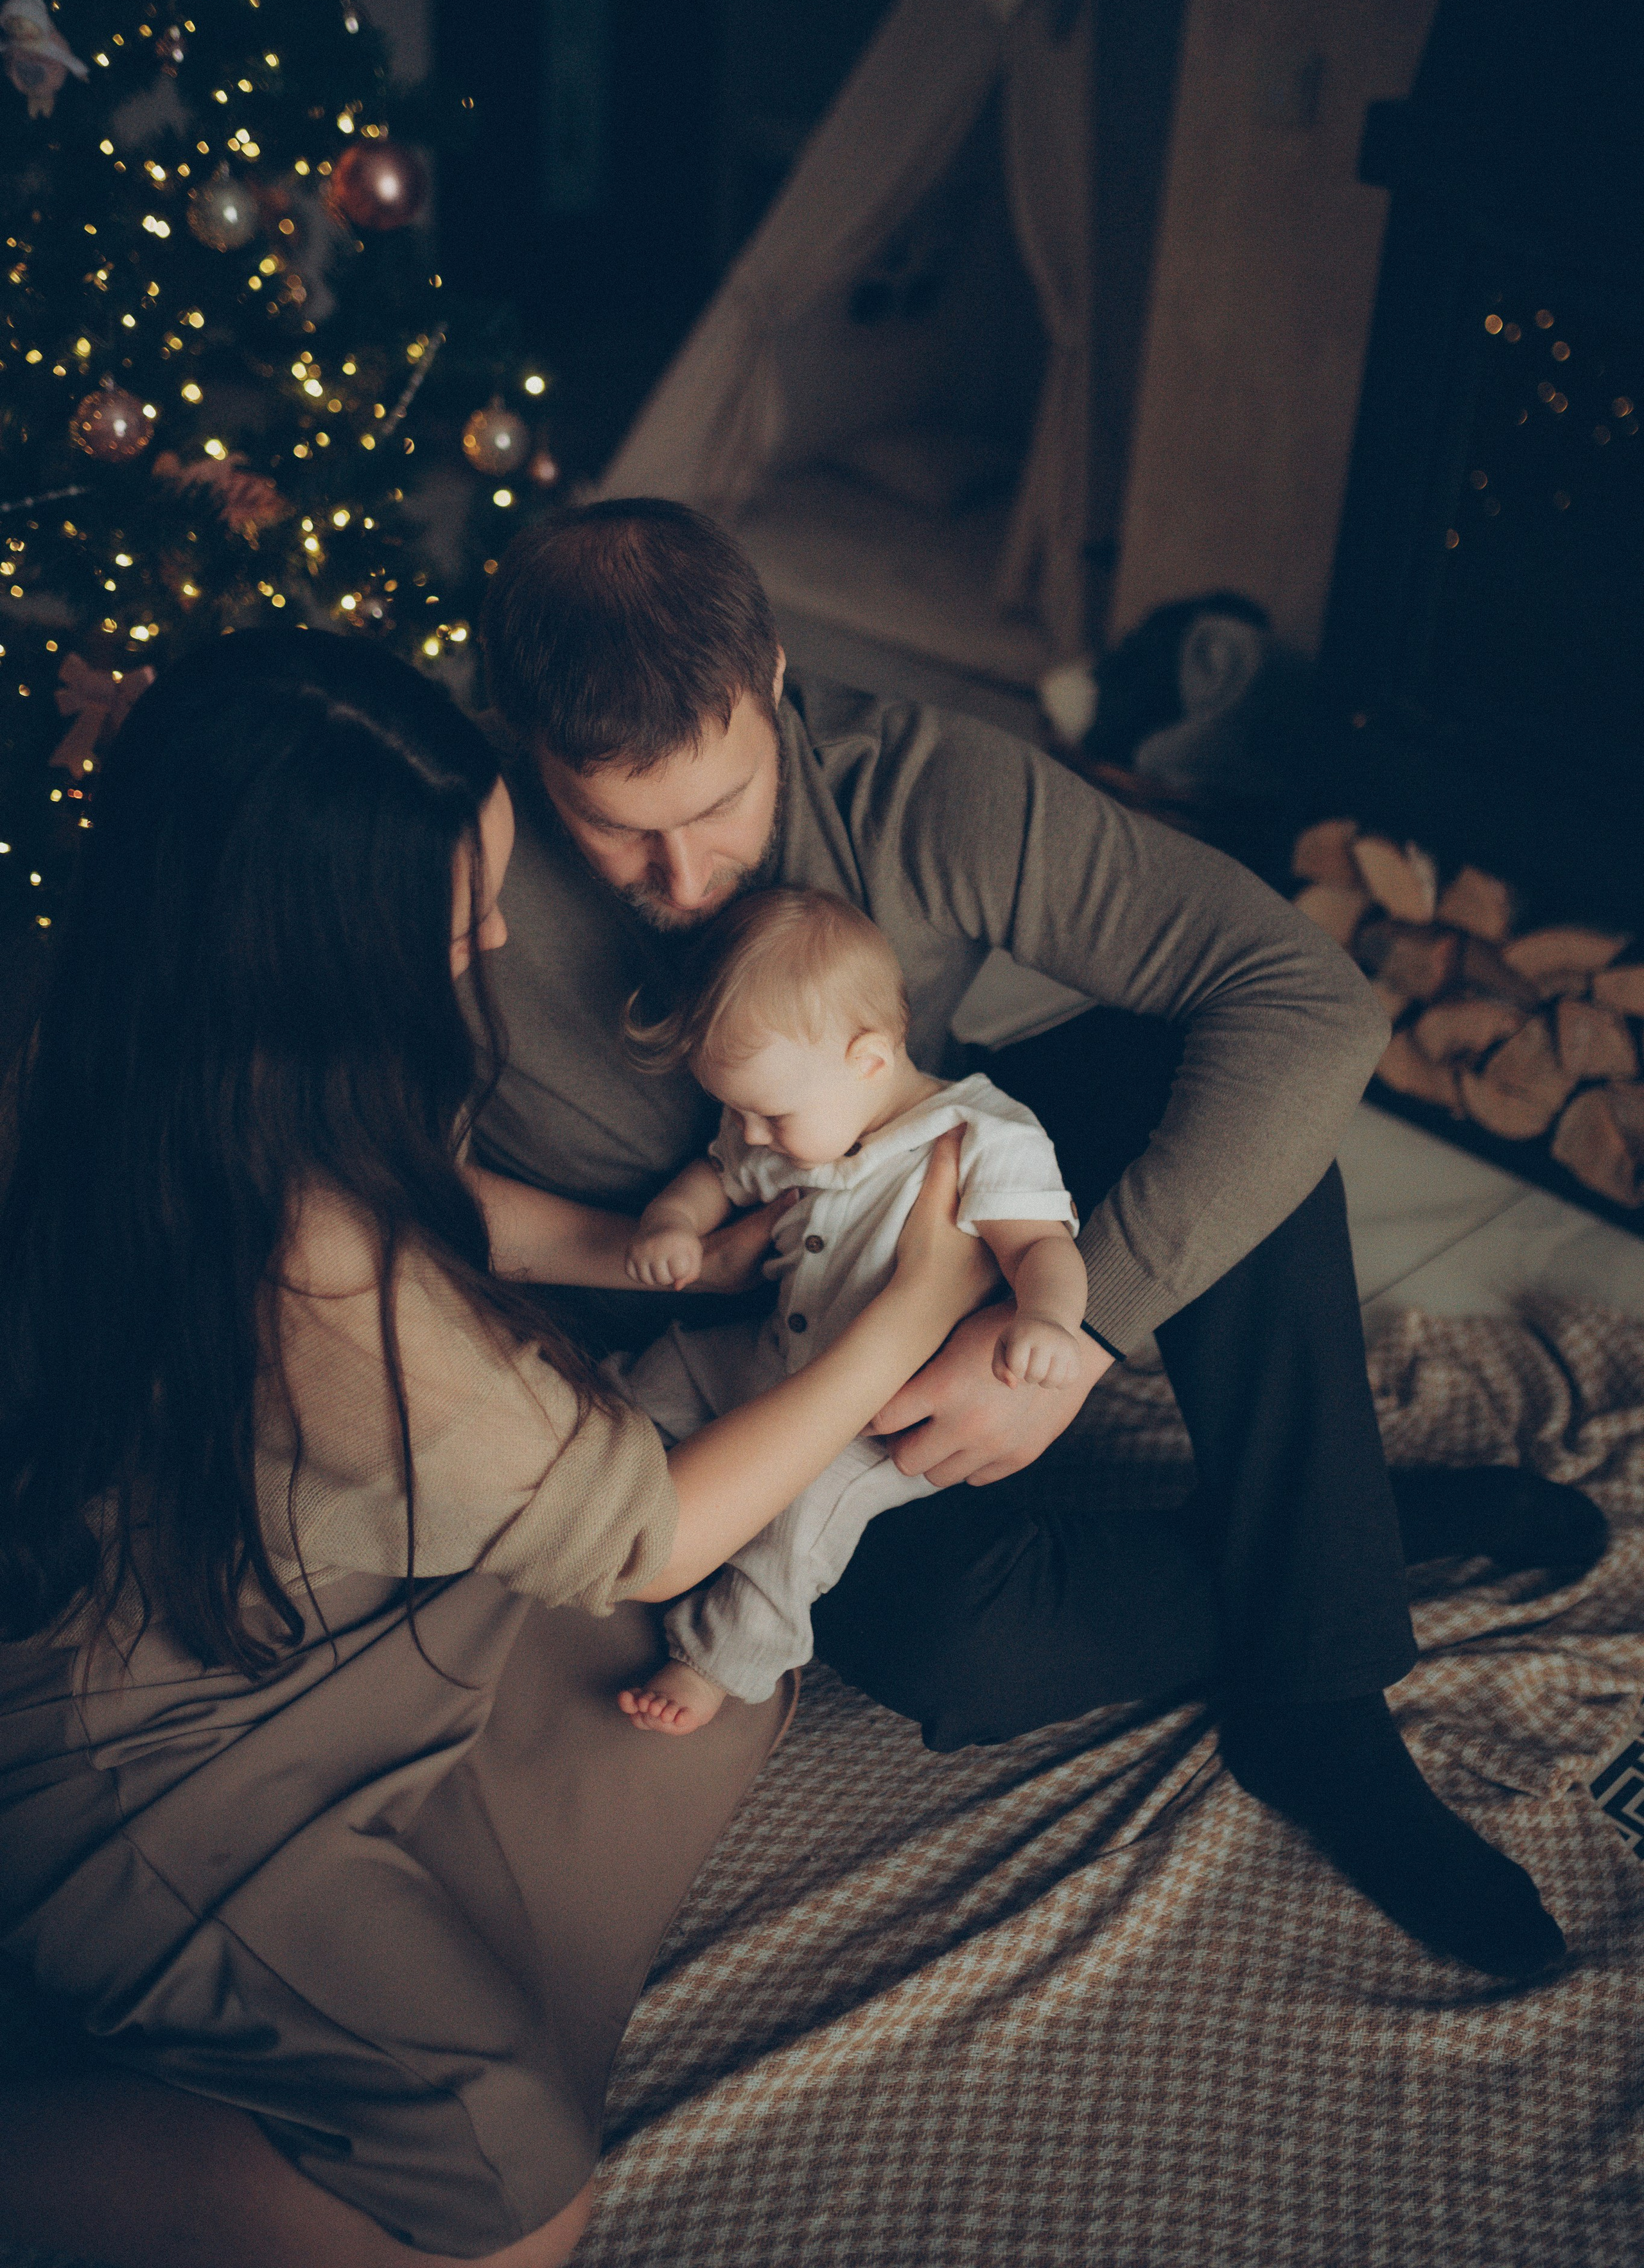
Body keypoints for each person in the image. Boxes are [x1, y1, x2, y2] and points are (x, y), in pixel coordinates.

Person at [469, 496, 1605, 1983]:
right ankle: (1343, 1546)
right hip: (732, 1347)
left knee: (1210, 1099)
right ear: (516, 738)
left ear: (779, 683)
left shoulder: (915, 779)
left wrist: (1073, 1341)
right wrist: (638, 1248)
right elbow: (365, 1190)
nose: (689, 884)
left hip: (921, 1210)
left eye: (724, 806)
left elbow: (1307, 1000)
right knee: (953, 1649)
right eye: (623, 828)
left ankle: (1318, 1700)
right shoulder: (438, 861)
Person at [0, 627, 992, 2268]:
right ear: (320, 946)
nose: (499, 931)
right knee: (512, 2200)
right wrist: (899, 1320)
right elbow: (653, 1529)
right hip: (150, 1744)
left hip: (263, 1577)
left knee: (692, 1707)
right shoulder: (319, 1280)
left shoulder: (156, 1037)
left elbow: (443, 1200)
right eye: (460, 913)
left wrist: (661, 1251)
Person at [613, 885, 1084, 1735]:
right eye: (738, 1111)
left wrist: (1049, 1322)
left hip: (876, 1421)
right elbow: (715, 1174)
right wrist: (675, 1225)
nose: (750, 1134)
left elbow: (1042, 1248)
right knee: (670, 1367)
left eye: (768, 1114)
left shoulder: (985, 1137)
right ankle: (606, 1455)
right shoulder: (801, 1117)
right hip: (770, 1358)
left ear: (869, 1059)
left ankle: (717, 1662)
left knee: (796, 1527)